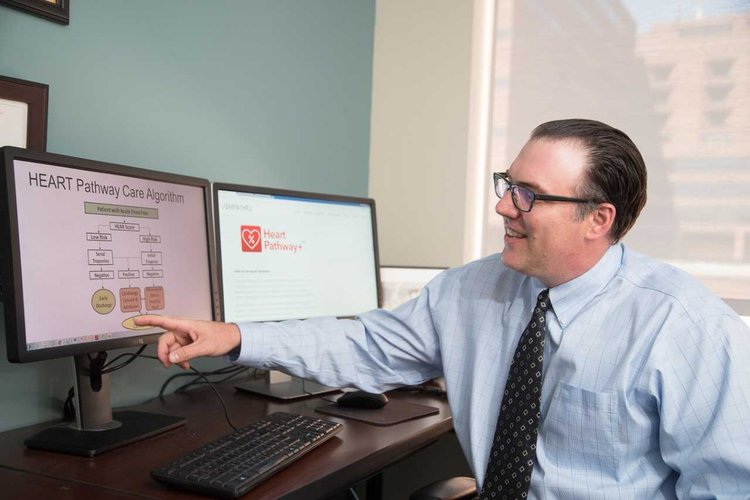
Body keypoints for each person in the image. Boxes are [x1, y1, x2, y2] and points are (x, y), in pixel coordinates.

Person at [136, 119, 750, 497]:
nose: (505, 207)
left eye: (528, 195)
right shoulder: (469, 291)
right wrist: (235, 335)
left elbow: (728, 487)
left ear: (598, 219)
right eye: (506, 185)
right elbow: (365, 346)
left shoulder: (684, 327)